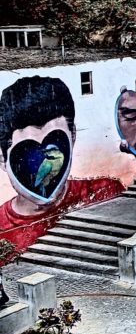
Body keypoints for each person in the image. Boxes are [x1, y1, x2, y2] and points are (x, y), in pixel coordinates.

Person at [0, 76, 123, 251]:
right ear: (3, 160)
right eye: (26, 154)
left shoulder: (105, 194)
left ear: (72, 136)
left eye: (58, 142)